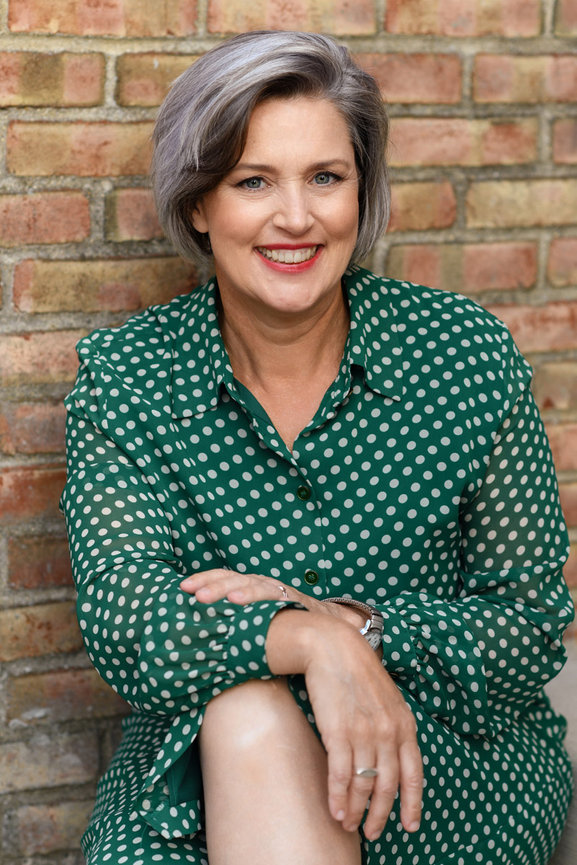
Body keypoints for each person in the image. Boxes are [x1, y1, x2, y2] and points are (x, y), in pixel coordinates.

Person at [60, 30, 574, 865]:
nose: (295, 217)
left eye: (325, 178)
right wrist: (309, 641)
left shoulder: (462, 356)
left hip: (433, 753)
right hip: (195, 763)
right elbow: (127, 621)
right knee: (244, 715)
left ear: (359, 194)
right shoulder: (130, 380)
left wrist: (361, 631)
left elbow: (527, 626)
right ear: (198, 204)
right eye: (252, 181)